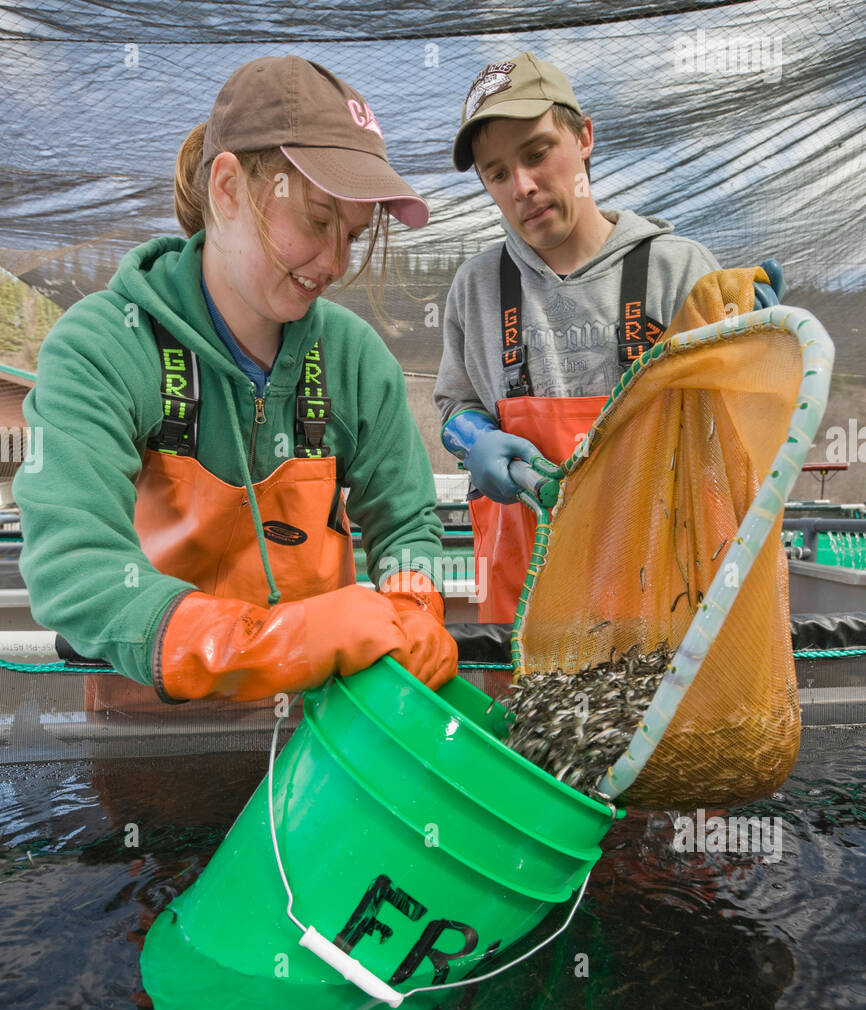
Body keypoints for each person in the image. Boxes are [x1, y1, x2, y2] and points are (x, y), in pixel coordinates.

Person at [14, 55, 457, 705]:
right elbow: (74, 568)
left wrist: (412, 597)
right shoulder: (103, 346)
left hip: (319, 744)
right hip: (153, 734)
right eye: (316, 218)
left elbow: (406, 519)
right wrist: (271, 642)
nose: (334, 262)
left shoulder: (353, 358)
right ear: (226, 189)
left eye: (354, 236)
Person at [434, 51, 784, 622]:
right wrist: (474, 442)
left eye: (537, 153)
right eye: (497, 173)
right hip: (526, 611)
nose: (522, 185)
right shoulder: (477, 288)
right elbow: (455, 403)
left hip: (663, 603)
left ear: (585, 138)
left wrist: (761, 357)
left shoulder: (681, 271)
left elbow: (730, 430)